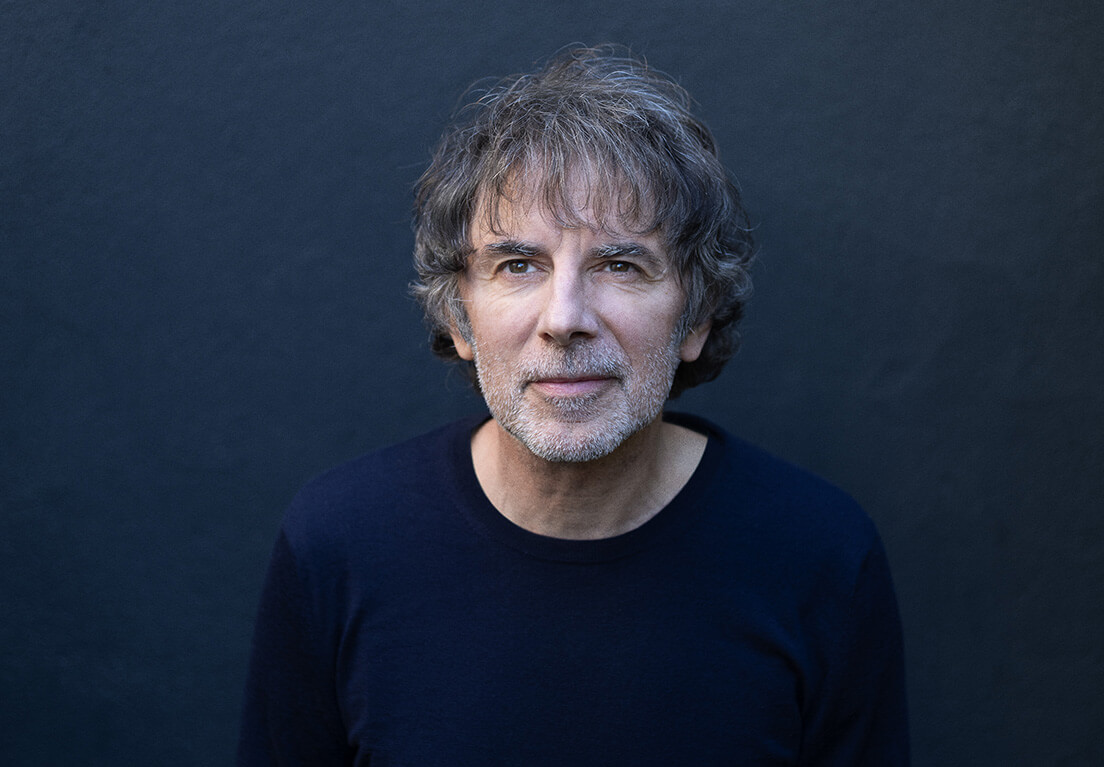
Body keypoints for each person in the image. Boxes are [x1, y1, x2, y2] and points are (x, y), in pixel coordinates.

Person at [237, 45, 908, 765]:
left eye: (620, 265)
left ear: (697, 317)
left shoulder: (821, 558)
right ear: (460, 317)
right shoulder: (338, 544)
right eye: (517, 265)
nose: (565, 318)